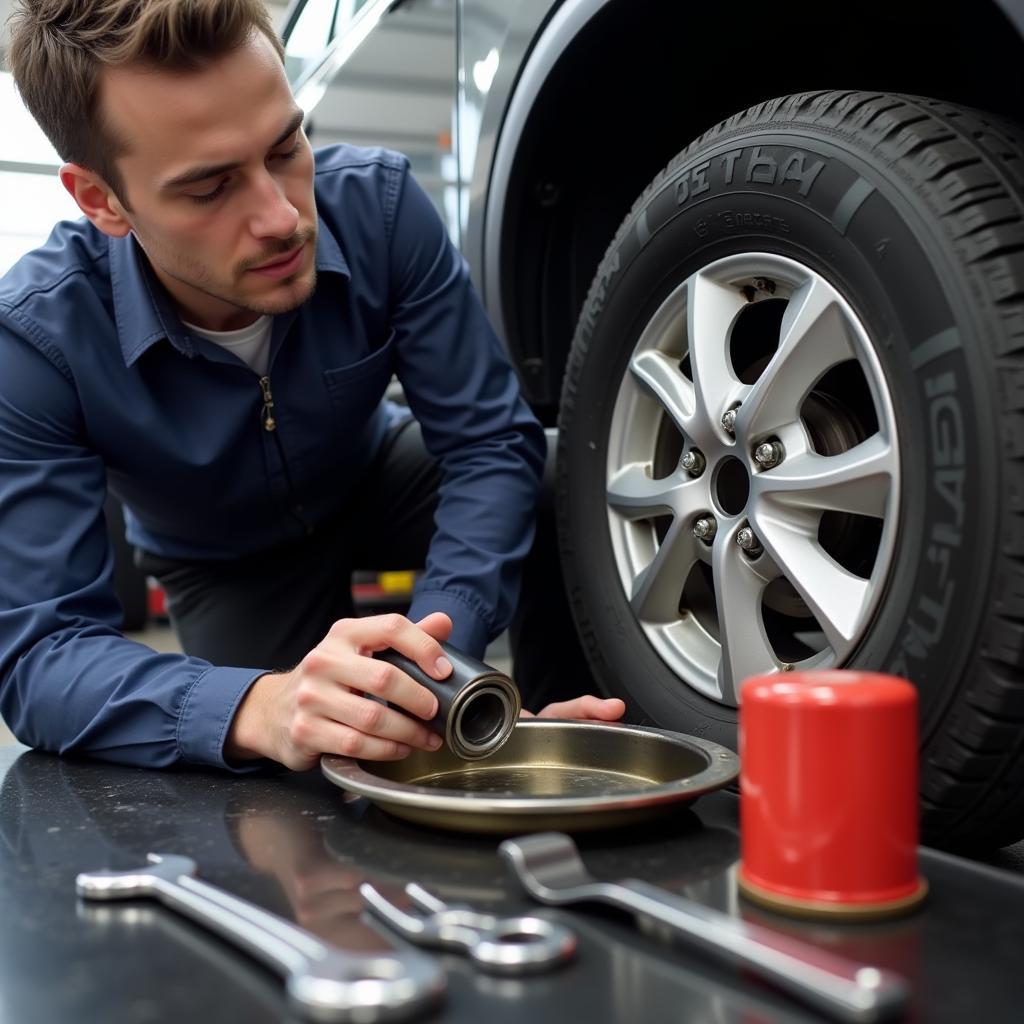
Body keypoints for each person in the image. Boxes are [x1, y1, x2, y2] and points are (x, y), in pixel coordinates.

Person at [0, 0, 624, 773]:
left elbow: (490, 444)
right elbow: (43, 654)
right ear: (102, 201)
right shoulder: (36, 341)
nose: (282, 217)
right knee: (304, 772)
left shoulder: (380, 210)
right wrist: (262, 708)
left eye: (286, 146)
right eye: (209, 188)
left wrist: (436, 657)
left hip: (374, 479)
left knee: (562, 473)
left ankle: (553, 735)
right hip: (223, 563)